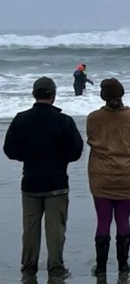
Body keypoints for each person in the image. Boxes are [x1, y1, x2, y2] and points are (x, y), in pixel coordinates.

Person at [3, 77, 83, 279]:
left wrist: (28, 156)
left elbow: (9, 150)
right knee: (55, 229)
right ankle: (56, 268)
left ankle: (29, 268)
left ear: (34, 94)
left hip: (30, 180)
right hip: (57, 181)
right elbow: (76, 151)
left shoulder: (21, 119)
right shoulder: (64, 121)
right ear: (53, 96)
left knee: (30, 228)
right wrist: (59, 159)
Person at [86, 78, 130, 275]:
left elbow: (91, 140)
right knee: (123, 219)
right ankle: (123, 264)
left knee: (103, 220)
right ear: (122, 94)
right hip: (126, 175)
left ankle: (101, 266)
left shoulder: (93, 118)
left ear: (103, 96)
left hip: (101, 176)